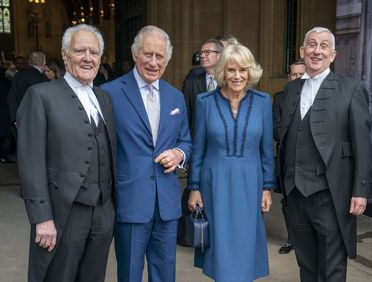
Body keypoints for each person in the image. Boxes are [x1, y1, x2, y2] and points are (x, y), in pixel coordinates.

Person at [16, 24, 116, 282]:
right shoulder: (40, 95)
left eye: (94, 52)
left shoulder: (104, 98)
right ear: (64, 54)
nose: (87, 57)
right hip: (65, 214)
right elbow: (31, 162)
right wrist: (42, 218)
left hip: (103, 213)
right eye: (80, 50)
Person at [277, 27, 372, 281]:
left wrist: (361, 190)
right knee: (306, 266)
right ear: (302, 51)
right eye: (311, 45)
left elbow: (362, 145)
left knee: (331, 269)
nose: (316, 51)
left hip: (331, 195)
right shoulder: (290, 91)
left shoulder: (351, 89)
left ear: (332, 55)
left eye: (323, 46)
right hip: (295, 194)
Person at [101, 25, 192, 282]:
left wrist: (178, 154)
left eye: (160, 56)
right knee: (129, 274)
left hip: (167, 203)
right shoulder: (109, 93)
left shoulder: (176, 97)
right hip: (130, 201)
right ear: (135, 54)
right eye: (148, 54)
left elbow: (186, 139)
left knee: (165, 274)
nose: (154, 62)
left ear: (168, 59)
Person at [187, 43, 276, 281]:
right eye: (231, 70)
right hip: (214, 183)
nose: (237, 76)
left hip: (250, 183)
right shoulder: (205, 101)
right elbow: (199, 148)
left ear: (250, 72)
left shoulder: (263, 101)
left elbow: (267, 149)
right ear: (222, 73)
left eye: (243, 70)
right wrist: (194, 188)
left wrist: (267, 187)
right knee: (220, 244)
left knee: (245, 243)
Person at [272, 59, 305, 254]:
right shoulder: (280, 97)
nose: (297, 78)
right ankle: (292, 239)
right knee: (288, 201)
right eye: (294, 74)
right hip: (286, 159)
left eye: (301, 74)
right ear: (289, 76)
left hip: (312, 162)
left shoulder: (317, 96)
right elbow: (276, 130)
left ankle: (309, 239)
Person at [183, 38, 224, 136]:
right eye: (201, 52)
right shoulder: (191, 83)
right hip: (197, 140)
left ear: (219, 55)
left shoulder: (228, 82)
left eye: (207, 52)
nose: (202, 55)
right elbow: (186, 116)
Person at [7, 51, 49, 127]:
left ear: (29, 62)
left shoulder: (18, 75)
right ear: (44, 62)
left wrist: (15, 118)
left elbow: (11, 97)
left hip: (21, 117)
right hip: (38, 120)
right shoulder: (43, 79)